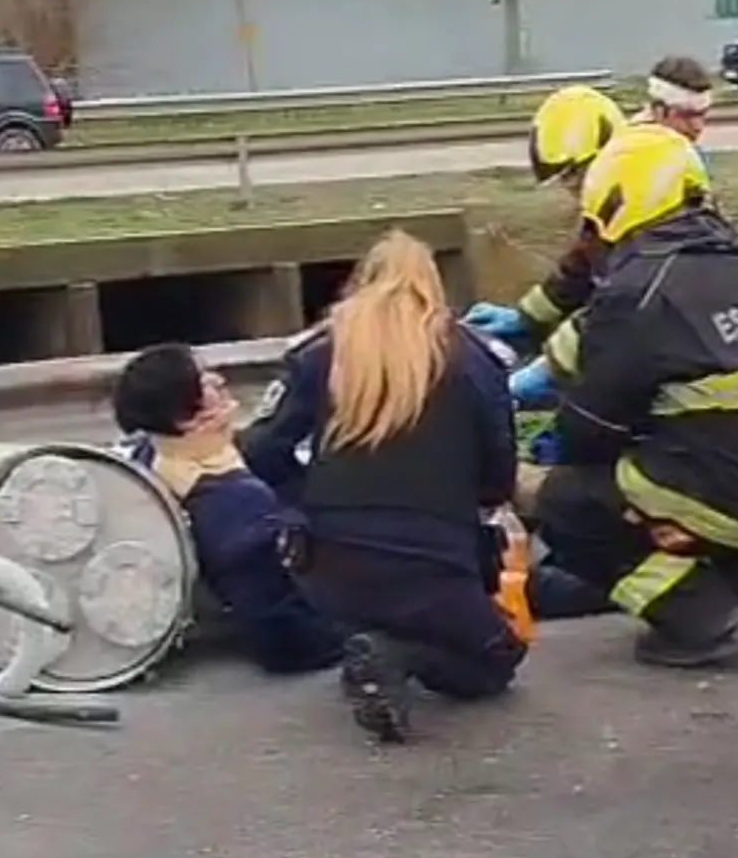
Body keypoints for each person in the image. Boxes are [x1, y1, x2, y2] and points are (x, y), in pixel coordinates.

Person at [534, 123, 738, 666]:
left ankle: (699, 615)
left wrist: (624, 496)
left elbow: (586, 432)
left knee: (569, 502)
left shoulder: (640, 289)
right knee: (711, 452)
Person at [239, 228, 527, 744]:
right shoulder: (473, 358)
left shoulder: (321, 352)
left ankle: (372, 642)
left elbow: (260, 447)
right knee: (495, 661)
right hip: (432, 560)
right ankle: (399, 653)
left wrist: (305, 496)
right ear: (434, 288)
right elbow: (498, 473)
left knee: (374, 608)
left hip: (330, 562)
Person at [113, 343, 372, 677]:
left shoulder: (155, 458)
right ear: (186, 416)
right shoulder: (233, 502)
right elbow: (276, 627)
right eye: (206, 380)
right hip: (307, 629)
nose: (220, 381)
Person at [463, 83, 626, 407]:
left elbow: (618, 315)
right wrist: (525, 318)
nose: (569, 188)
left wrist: (549, 368)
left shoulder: (640, 213)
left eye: (573, 175)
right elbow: (578, 275)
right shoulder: (605, 209)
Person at [630, 55, 713, 150]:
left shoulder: (688, 152)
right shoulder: (632, 152)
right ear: (659, 111)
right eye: (686, 115)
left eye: (702, 114)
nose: (697, 126)